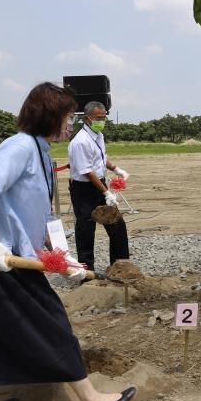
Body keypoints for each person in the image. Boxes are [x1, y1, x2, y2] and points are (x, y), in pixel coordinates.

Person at [0, 83, 135, 401]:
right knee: (53, 325)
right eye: (69, 116)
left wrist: (62, 257)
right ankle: (90, 400)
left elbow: (35, 216)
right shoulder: (20, 146)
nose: (72, 123)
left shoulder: (41, 150)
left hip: (10, 262)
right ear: (50, 115)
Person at [68, 101, 130, 272]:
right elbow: (88, 171)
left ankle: (121, 267)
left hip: (99, 184)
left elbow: (100, 160)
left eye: (104, 117)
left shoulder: (98, 135)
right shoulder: (80, 141)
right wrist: (107, 193)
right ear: (87, 118)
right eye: (98, 118)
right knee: (86, 231)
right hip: (84, 190)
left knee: (117, 225)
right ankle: (88, 273)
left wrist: (116, 169)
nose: (102, 121)